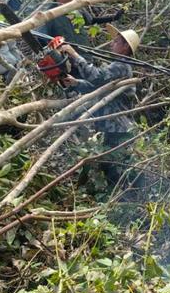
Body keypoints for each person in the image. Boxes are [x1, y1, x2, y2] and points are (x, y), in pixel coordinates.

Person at [58, 24, 140, 186]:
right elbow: (99, 88)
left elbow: (97, 77)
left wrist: (75, 55)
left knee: (114, 168)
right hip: (111, 126)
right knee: (108, 165)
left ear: (125, 47)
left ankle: (123, 199)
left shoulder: (121, 66)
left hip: (117, 127)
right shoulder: (118, 64)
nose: (111, 44)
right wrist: (76, 83)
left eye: (116, 42)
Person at [38, 0, 123, 55]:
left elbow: (91, 20)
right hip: (67, 59)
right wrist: (55, 55)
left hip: (84, 54)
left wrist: (113, 17)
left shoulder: (76, 8)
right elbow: (41, 38)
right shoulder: (49, 15)